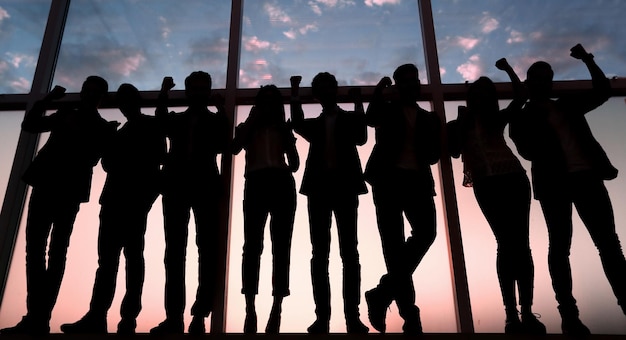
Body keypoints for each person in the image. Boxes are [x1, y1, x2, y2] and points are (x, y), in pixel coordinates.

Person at [510, 44, 626, 335]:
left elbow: (602, 90)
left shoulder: (565, 104)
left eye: (547, 77)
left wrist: (587, 59)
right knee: (563, 248)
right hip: (555, 184)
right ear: (529, 82)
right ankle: (569, 314)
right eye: (537, 77)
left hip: (586, 179)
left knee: (607, 245)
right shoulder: (523, 116)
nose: (543, 82)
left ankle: (621, 303)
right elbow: (527, 150)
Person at [0, 76, 117, 335]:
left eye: (94, 93)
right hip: (52, 187)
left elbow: (98, 159)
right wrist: (45, 101)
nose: (89, 96)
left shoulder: (97, 127)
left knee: (51, 252)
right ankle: (37, 316)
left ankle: (38, 317)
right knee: (42, 251)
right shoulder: (75, 117)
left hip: (64, 191)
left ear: (99, 98)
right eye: (87, 91)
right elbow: (29, 125)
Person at [446, 59, 545, 334]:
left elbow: (520, 97)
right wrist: (461, 122)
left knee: (520, 245)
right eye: (476, 95)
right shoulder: (460, 123)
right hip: (486, 184)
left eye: (485, 95)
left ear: (489, 99)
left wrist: (508, 70)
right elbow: (453, 151)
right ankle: (511, 314)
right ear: (471, 98)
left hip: (513, 177)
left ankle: (526, 312)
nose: (480, 99)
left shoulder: (496, 118)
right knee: (505, 244)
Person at [59, 83, 166, 334]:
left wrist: (146, 197)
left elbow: (156, 161)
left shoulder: (147, 127)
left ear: (136, 102)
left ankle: (122, 316)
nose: (125, 106)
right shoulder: (124, 131)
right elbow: (108, 164)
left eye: (127, 100)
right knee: (111, 261)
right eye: (122, 101)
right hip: (116, 200)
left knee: (127, 259)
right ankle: (101, 316)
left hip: (130, 200)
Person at [363, 64, 440, 335]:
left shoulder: (428, 118)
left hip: (417, 181)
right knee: (394, 248)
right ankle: (410, 317)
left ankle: (382, 294)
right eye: (404, 82)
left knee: (426, 233)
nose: (410, 85)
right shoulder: (386, 109)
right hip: (388, 182)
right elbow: (370, 118)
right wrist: (378, 91)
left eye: (414, 81)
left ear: (418, 85)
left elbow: (432, 156)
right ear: (398, 86)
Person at [150, 73, 230, 334]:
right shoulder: (177, 120)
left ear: (207, 92)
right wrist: (163, 92)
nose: (197, 92)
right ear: (186, 92)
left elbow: (223, 142)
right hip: (176, 187)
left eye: (201, 88)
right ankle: (175, 317)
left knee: (206, 251)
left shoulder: (214, 120)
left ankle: (199, 313)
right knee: (174, 253)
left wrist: (221, 109)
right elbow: (160, 122)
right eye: (193, 88)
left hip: (204, 187)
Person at [290, 73, 369, 334]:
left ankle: (349, 317)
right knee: (325, 254)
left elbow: (361, 136)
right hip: (323, 190)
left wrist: (358, 104)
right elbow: (298, 123)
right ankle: (326, 317)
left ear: (334, 90)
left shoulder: (341, 120)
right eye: (321, 88)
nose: (326, 92)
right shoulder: (318, 124)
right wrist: (294, 91)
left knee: (346, 253)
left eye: (328, 87)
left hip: (337, 189)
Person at [232, 85, 299, 334]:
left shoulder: (282, 129)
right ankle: (250, 308)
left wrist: (287, 136)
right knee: (252, 246)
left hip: (281, 183)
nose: (269, 106)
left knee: (281, 246)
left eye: (273, 101)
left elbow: (294, 165)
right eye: (265, 101)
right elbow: (235, 147)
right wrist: (252, 120)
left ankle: (276, 307)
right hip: (257, 182)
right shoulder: (249, 128)